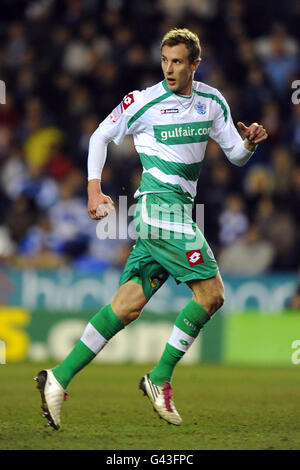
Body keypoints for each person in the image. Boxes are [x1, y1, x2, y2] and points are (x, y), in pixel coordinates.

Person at [35, 28, 268, 429]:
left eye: (178, 62)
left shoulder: (212, 102)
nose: (170, 69)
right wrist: (94, 189)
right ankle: (159, 377)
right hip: (157, 209)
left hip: (178, 212)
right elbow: (100, 136)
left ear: (196, 63)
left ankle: (58, 377)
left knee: (127, 305)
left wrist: (248, 144)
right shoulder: (143, 101)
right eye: (165, 61)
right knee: (211, 293)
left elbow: (234, 155)